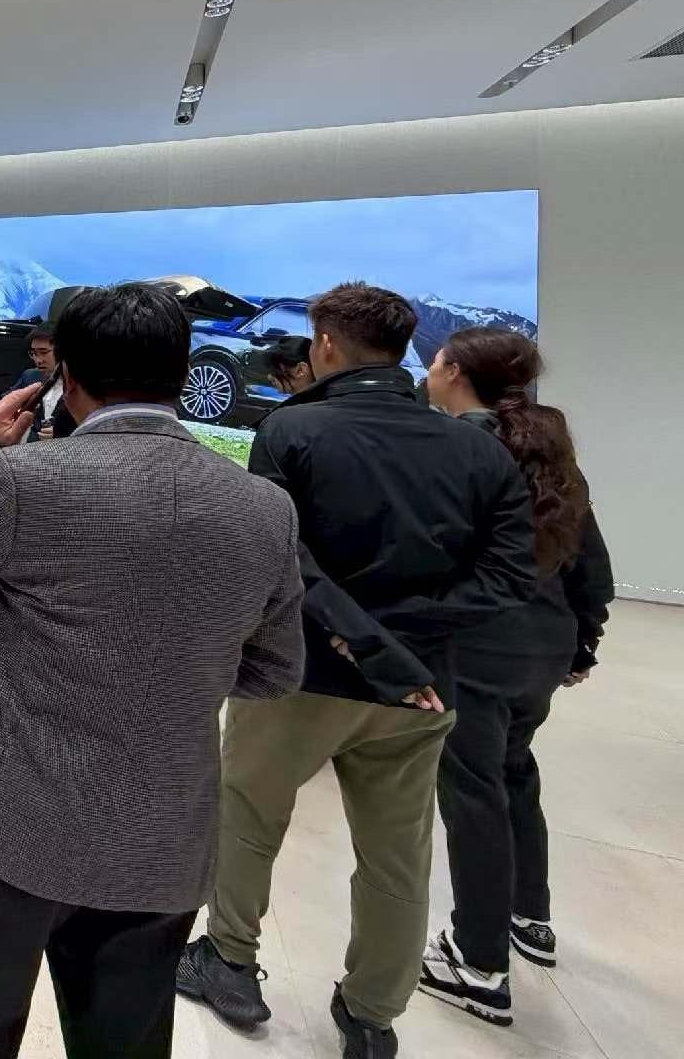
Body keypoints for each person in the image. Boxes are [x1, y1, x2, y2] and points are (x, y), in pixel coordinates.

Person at [0, 283, 304, 1059]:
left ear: (65, 378)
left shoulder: (22, 481)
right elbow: (275, 671)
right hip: (159, 836)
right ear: (183, 375)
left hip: (4, 824)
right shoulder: (263, 509)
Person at [178, 283, 538, 1059]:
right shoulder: (480, 451)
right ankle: (372, 1016)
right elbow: (511, 579)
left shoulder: (291, 429)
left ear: (326, 345)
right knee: (397, 857)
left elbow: (282, 559)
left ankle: (230, 961)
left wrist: (364, 641)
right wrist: (405, 648)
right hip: (423, 689)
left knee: (247, 815)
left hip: (300, 672)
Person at [417, 329, 613, 1026]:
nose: (428, 368)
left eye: (436, 359)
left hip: (476, 650)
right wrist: (582, 642)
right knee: (513, 771)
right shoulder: (551, 451)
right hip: (544, 647)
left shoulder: (454, 449)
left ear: (456, 373)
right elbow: (591, 560)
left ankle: (477, 964)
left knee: (473, 794)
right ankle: (530, 916)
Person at [9, 322, 75, 441]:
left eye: (44, 352)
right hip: (32, 448)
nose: (38, 360)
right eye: (33, 353)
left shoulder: (82, 384)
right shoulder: (31, 376)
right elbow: (4, 400)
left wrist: (64, 434)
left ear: (62, 350)